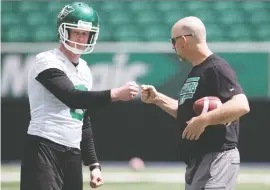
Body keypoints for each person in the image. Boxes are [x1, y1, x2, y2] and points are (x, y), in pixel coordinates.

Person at [20, 2, 139, 190]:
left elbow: (83, 119)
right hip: (44, 146)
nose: (82, 39)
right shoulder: (46, 60)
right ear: (64, 32)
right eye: (77, 32)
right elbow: (71, 97)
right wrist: (115, 94)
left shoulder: (84, 69)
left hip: (72, 152)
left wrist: (94, 165)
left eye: (86, 34)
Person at [141, 16, 250, 190]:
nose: (173, 46)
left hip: (218, 159)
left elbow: (241, 105)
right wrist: (157, 99)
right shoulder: (197, 71)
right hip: (197, 161)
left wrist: (204, 120)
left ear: (183, 40)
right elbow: (186, 113)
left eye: (173, 41)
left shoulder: (216, 67)